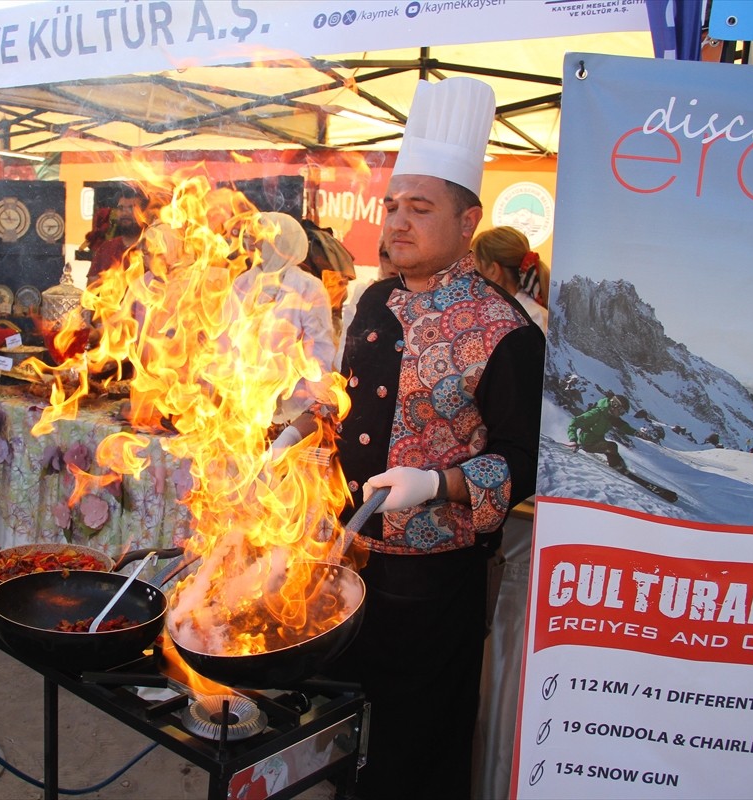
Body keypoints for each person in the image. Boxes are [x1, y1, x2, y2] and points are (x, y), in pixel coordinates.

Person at [280, 77, 545, 798]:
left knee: (415, 746)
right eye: (392, 206)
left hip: (435, 585)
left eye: (419, 209)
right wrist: (303, 428)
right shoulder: (372, 298)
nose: (396, 221)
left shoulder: (506, 331)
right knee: (339, 729)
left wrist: (441, 483)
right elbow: (345, 398)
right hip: (346, 559)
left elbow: (527, 463)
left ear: (468, 221)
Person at [230, 212, 336, 424]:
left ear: (283, 244)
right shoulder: (241, 284)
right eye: (254, 238)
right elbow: (226, 341)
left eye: (263, 238)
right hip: (244, 404)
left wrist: (307, 396)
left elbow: (320, 350)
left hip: (293, 406)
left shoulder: (308, 287)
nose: (255, 245)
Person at [472, 225, 549, 330]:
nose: (470, 279)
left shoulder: (533, 318)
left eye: (475, 270)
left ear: (493, 270)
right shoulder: (515, 314)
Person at [87, 189, 146, 285]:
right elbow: (91, 291)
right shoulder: (106, 248)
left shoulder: (151, 249)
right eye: (121, 208)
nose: (125, 213)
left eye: (131, 208)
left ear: (144, 214)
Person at [566, 394, 631, 472]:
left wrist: (636, 433)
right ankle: (616, 467)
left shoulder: (611, 416)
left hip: (598, 442)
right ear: (614, 405)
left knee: (615, 453)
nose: (621, 414)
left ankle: (620, 466)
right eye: (621, 411)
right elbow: (574, 422)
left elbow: (623, 426)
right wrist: (573, 439)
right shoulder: (597, 413)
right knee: (611, 446)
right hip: (587, 443)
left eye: (623, 412)